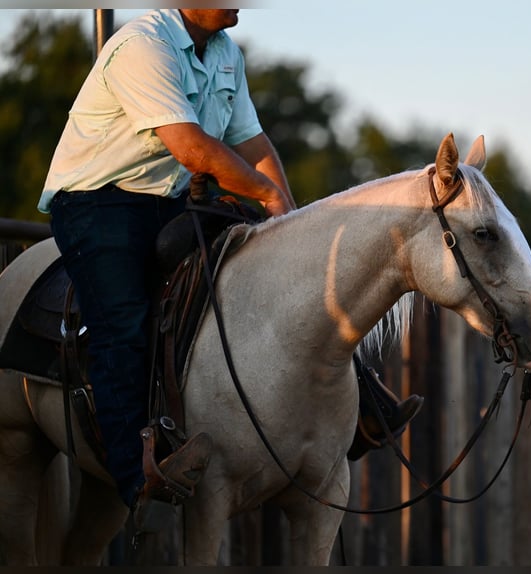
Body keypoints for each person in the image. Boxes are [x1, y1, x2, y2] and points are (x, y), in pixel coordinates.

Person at [38, 9, 421, 517]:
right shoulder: (141, 46)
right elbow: (194, 149)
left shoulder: (224, 55)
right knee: (123, 321)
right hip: (96, 202)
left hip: (163, 202)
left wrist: (288, 219)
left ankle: (363, 408)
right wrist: (263, 193)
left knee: (268, 283)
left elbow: (253, 144)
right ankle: (139, 475)